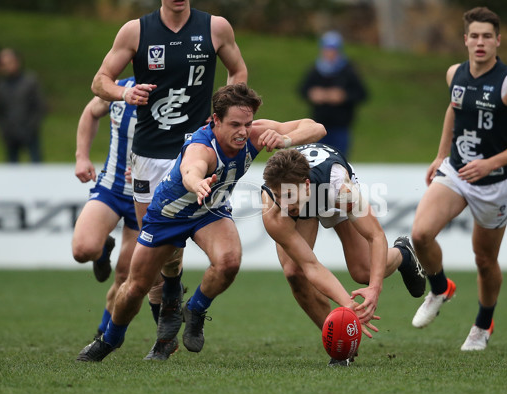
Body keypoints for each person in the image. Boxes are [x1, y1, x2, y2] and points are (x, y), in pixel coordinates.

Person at [77, 83, 326, 362]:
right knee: (136, 286)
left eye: (247, 123)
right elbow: (190, 170)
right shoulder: (202, 147)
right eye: (235, 124)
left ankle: (194, 309)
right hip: (168, 215)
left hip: (210, 210)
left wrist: (286, 140)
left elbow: (315, 127)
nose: (243, 131)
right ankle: (108, 340)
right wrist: (198, 184)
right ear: (215, 120)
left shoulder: (253, 133)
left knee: (229, 261)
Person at [89, 0, 248, 360]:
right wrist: (123, 93)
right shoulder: (136, 31)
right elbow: (99, 81)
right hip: (148, 156)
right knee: (160, 255)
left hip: (199, 151)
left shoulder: (215, 27)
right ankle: (171, 296)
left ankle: (169, 332)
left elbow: (238, 72)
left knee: (219, 257)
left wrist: (221, 113)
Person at [409, 7, 507, 351]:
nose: (480, 42)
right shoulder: (455, 74)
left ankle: (483, 325)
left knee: (484, 260)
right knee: (421, 234)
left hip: (495, 182)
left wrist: (489, 164)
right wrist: (441, 155)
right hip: (456, 171)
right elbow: (454, 110)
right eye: (474, 36)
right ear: (465, 40)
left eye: (487, 36)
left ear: (498, 41)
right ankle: (440, 289)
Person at [260, 143, 426, 366]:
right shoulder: (273, 207)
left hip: (328, 194)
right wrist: (348, 306)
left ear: (306, 185)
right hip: (308, 201)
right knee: (294, 272)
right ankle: (341, 344)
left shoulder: (339, 188)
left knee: (363, 271)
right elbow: (311, 265)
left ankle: (403, 254)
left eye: (288, 195)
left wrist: (375, 288)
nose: (283, 203)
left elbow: (375, 236)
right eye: (279, 195)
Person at [72, 77, 157, 340]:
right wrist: (82, 156)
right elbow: (91, 111)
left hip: (146, 196)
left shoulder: (179, 95)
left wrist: (152, 171)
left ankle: (103, 333)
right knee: (83, 250)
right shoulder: (121, 87)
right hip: (111, 186)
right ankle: (101, 252)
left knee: (127, 275)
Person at [298, 31, 367, 158]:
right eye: (327, 49)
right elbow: (302, 90)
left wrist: (344, 96)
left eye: (333, 50)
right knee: (317, 159)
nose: (330, 53)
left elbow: (362, 94)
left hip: (341, 125)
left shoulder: (347, 70)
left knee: (339, 159)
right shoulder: (316, 69)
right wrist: (312, 94)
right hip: (319, 125)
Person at [0, 47, 47, 163]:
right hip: (10, 133)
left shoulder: (30, 81)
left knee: (36, 163)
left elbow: (39, 106)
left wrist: (31, 127)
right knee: (12, 166)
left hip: (29, 131)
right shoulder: (1, 85)